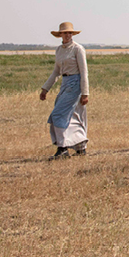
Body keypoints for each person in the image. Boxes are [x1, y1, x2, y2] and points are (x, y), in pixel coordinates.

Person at [39, 22, 90, 160]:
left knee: (58, 114)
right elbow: (56, 71)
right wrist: (45, 89)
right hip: (65, 83)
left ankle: (62, 148)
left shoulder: (78, 49)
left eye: (69, 33)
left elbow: (84, 72)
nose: (67, 35)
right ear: (60, 34)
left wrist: (85, 93)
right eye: (65, 33)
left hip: (75, 84)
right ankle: (80, 147)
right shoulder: (59, 50)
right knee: (73, 116)